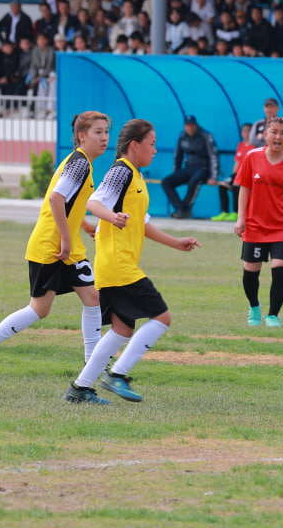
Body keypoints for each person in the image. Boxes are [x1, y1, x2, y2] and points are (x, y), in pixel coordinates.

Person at [0, 113, 110, 392]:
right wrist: (66, 237)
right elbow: (56, 198)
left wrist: (84, 225)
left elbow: (67, 203)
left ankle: (93, 364)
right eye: (98, 132)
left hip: (67, 248)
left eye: (106, 132)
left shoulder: (82, 163)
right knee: (40, 309)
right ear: (81, 136)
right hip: (50, 247)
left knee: (93, 298)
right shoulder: (79, 163)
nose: (104, 138)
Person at [69, 119, 201, 403]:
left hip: (114, 265)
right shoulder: (122, 170)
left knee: (123, 329)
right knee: (162, 317)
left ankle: (79, 389)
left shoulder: (137, 177)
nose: (155, 150)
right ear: (135, 145)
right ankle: (116, 374)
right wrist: (111, 217)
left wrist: (176, 243)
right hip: (119, 266)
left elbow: (142, 224)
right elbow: (93, 202)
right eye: (151, 144)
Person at [234, 117, 283, 329]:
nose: (278, 136)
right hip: (255, 226)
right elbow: (244, 189)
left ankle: (273, 315)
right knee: (250, 273)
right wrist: (241, 218)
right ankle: (254, 306)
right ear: (265, 135)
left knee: (280, 270)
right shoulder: (252, 157)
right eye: (274, 132)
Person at [161, 115, 219, 219]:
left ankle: (182, 210)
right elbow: (178, 155)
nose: (190, 128)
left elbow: (213, 156)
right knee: (166, 182)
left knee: (194, 181)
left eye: (192, 125)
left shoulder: (206, 135)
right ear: (184, 126)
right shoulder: (182, 136)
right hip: (189, 168)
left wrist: (213, 176)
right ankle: (180, 209)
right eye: (188, 125)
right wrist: (176, 172)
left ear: (196, 125)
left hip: (203, 168)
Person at [212, 123, 253, 222]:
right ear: (241, 133)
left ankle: (236, 213)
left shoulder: (254, 147)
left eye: (249, 131)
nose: (247, 133)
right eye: (245, 131)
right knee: (222, 185)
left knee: (236, 187)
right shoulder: (241, 145)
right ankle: (225, 212)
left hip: (247, 175)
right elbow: (237, 163)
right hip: (237, 174)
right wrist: (231, 178)